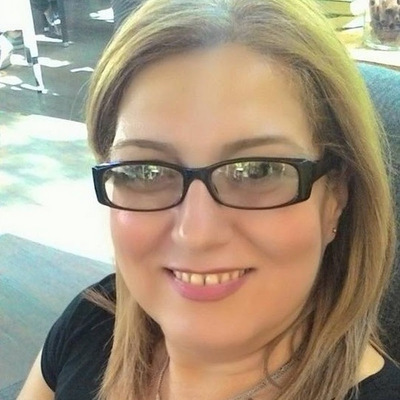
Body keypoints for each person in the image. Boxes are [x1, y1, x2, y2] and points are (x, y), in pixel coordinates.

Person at [17, 0, 400, 399]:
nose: (196, 234)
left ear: (336, 196)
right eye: (146, 171)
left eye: (257, 171)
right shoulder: (95, 319)